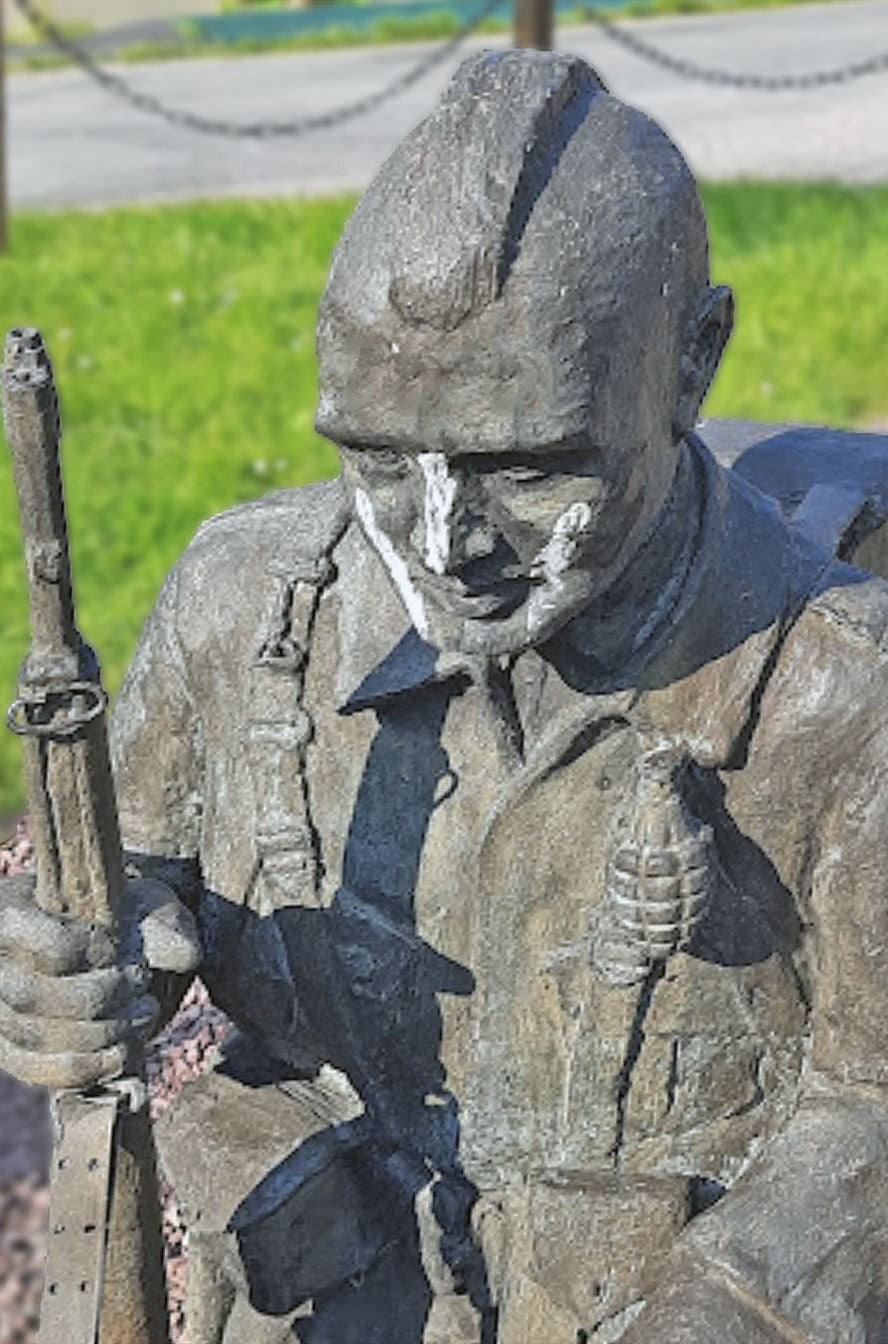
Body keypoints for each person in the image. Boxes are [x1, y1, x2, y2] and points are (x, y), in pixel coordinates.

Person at [2, 48, 888, 1344]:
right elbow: (117, 877)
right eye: (371, 452)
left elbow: (870, 1103)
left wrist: (738, 1307)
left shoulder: (847, 703)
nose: (438, 538)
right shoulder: (244, 602)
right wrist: (66, 955)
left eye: (527, 466)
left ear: (693, 363)